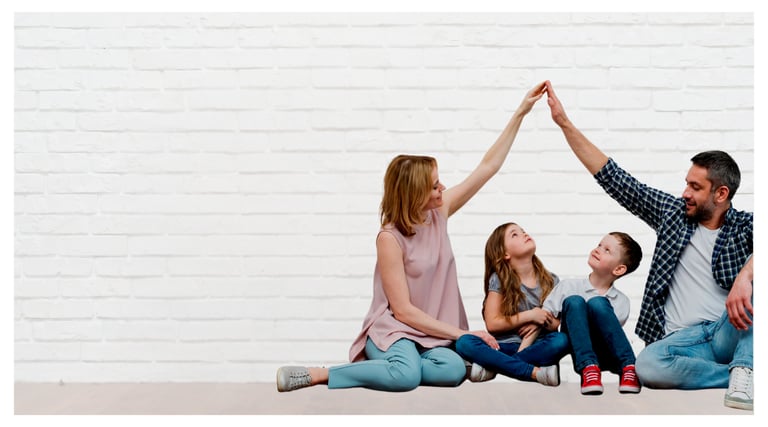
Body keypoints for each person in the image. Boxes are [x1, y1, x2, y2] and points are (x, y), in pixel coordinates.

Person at [275, 82, 548, 392]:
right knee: (406, 376)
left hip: (434, 334)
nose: (442, 188)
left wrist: (521, 112)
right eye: (434, 186)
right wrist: (462, 335)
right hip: (396, 330)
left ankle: (401, 367)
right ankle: (323, 374)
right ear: (414, 194)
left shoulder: (438, 213)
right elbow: (403, 311)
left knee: (453, 372)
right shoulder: (389, 239)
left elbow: (488, 167)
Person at [544, 81, 753, 410]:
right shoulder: (673, 214)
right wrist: (564, 123)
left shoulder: (744, 226)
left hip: (728, 331)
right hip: (681, 342)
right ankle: (740, 374)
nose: (685, 192)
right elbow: (615, 179)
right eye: (686, 183)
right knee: (647, 367)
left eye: (695, 187)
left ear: (721, 194)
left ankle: (745, 367)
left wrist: (745, 276)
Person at [454, 222, 570, 386]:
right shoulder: (499, 279)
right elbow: (493, 324)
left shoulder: (551, 280)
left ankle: (494, 365)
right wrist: (530, 315)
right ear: (505, 254)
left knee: (561, 340)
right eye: (515, 234)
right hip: (504, 346)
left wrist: (540, 320)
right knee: (464, 342)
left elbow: (556, 324)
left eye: (523, 231)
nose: (524, 234)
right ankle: (535, 372)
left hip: (537, 346)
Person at [542, 232, 643, 395]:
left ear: (618, 269)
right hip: (577, 347)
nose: (598, 249)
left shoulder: (621, 301)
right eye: (599, 245)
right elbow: (545, 316)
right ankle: (589, 368)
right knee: (575, 301)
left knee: (598, 303)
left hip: (604, 351)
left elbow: (610, 337)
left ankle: (628, 367)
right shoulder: (568, 286)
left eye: (607, 250)